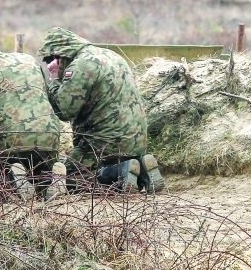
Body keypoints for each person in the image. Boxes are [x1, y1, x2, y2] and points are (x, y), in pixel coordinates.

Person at [37, 27, 164, 193]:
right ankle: (141, 169)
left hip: (101, 144)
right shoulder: (111, 55)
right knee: (119, 162)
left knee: (71, 179)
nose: (50, 64)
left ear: (60, 55)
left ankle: (119, 172)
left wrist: (54, 77)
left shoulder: (81, 65)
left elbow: (64, 110)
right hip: (136, 140)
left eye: (50, 60)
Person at [0, 49, 65, 200]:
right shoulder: (30, 61)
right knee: (39, 164)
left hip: (8, 139)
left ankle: (11, 183)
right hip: (50, 134)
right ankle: (47, 179)